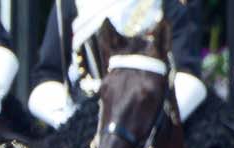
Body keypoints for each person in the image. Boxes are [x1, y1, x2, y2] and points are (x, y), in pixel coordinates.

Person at [27, 0, 208, 131]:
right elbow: (48, 73)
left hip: (152, 115)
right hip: (86, 116)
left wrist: (154, 125)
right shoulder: (68, 3)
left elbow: (186, 69)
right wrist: (70, 121)